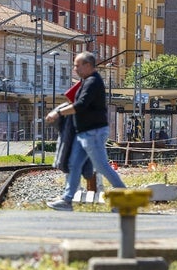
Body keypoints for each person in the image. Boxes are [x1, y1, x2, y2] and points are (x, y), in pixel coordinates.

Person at [45, 51, 126, 211]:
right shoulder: (86, 81)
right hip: (85, 133)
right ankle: (67, 200)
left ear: (88, 65)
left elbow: (81, 105)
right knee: (74, 165)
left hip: (93, 133)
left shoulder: (93, 82)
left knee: (102, 166)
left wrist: (58, 112)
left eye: (77, 65)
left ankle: (124, 199)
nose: (75, 69)